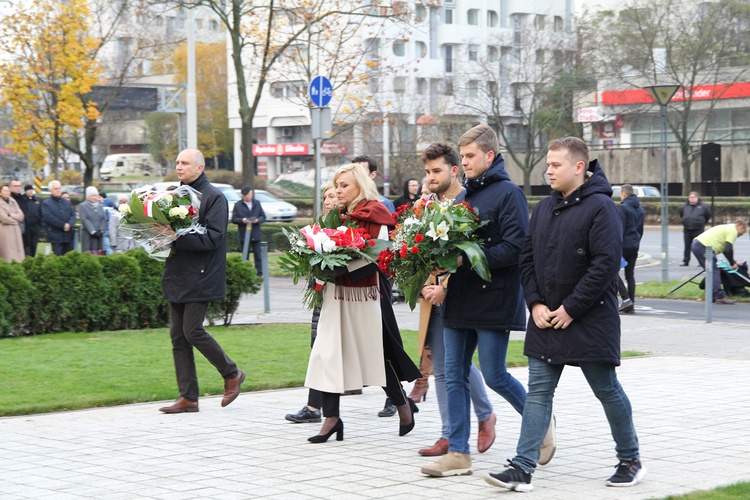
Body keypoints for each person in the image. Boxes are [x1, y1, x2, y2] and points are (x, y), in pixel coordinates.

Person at [485, 137, 646, 492]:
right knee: (539, 391)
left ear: (579, 167)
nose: (548, 170)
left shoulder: (603, 208)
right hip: (546, 318)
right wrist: (536, 304)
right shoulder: (543, 208)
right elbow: (526, 259)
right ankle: (523, 467)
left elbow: (605, 265)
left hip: (590, 317)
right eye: (547, 163)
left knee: (606, 389)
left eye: (555, 164)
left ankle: (630, 459)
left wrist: (571, 308)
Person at [421, 125, 534, 477]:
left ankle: (540, 420)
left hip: (495, 300)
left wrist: (462, 259)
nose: (464, 162)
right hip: (459, 300)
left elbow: (515, 249)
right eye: (463, 156)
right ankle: (458, 453)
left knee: (496, 375)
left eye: (470, 156)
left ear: (489, 156)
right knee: (452, 375)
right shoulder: (463, 198)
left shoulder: (509, 194)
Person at [304, 163, 421, 443]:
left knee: (375, 355)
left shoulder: (375, 212)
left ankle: (402, 403)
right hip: (336, 294)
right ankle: (332, 418)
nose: (338, 190)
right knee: (326, 352)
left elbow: (376, 257)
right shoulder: (337, 215)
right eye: (337, 185)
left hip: (365, 295)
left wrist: (336, 269)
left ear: (360, 185)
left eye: (344, 185)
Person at [413, 142, 497, 458]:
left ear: (453, 170)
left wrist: (444, 286)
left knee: (456, 365)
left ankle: (482, 416)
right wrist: (422, 285)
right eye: (427, 172)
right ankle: (451, 433)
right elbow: (417, 253)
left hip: (460, 296)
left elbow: (469, 254)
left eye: (437, 171)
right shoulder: (424, 206)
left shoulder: (467, 203)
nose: (431, 177)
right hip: (430, 300)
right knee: (444, 368)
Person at [157, 148, 246, 414]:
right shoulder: (174, 194)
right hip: (178, 272)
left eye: (185, 163)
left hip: (202, 274)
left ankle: (232, 373)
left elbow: (214, 238)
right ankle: (188, 398)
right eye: (177, 163)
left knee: (192, 331)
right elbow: (171, 230)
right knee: (178, 336)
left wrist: (175, 236)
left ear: (200, 167)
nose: (179, 167)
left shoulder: (214, 197)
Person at [285, 185, 338, 424]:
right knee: (318, 348)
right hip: (321, 295)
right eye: (325, 197)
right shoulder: (320, 228)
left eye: (333, 196)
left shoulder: (343, 228)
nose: (327, 201)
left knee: (374, 350)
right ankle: (314, 407)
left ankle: (397, 398)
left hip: (340, 298)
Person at [691, 220, 748, 305]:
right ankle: (719, 296)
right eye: (742, 232)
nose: (741, 235)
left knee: (711, 271)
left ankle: (711, 295)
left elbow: (725, 249)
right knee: (714, 271)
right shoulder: (733, 231)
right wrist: (732, 263)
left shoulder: (728, 227)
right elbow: (729, 248)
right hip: (703, 247)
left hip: (700, 245)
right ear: (740, 227)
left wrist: (733, 261)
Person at [616, 185, 644, 314]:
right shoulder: (640, 209)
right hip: (634, 245)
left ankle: (625, 298)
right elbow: (640, 230)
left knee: (612, 271)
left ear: (624, 194)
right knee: (630, 275)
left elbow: (619, 228)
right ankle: (631, 305)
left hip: (623, 246)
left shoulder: (623, 207)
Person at [232, 186, 266, 276]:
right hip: (244, 234)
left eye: (250, 194)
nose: (248, 197)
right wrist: (243, 220)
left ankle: (259, 273)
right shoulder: (238, 205)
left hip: (255, 233)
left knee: (258, 255)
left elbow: (263, 216)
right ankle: (245, 273)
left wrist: (258, 220)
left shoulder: (257, 203)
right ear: (243, 195)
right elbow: (234, 219)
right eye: (246, 195)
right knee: (245, 255)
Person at [41, 180, 77, 256]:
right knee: (58, 257)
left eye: (59, 188)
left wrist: (69, 224)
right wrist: (63, 225)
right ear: (50, 191)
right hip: (56, 236)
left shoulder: (66, 202)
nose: (58, 190)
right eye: (55, 189)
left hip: (68, 235)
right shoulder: (46, 203)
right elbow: (49, 218)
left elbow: (73, 215)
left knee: (69, 257)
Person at [679, 192, 711, 266]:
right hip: (687, 229)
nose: (692, 199)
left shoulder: (703, 206)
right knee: (687, 246)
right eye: (690, 197)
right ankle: (686, 261)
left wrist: (701, 222)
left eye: (694, 197)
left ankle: (701, 262)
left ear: (697, 198)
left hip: (698, 229)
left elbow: (708, 215)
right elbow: (681, 214)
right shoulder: (684, 206)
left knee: (699, 246)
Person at [0, 184, 25, 263]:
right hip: (5, 231)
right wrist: (16, 220)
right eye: (5, 190)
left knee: (19, 253)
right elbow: (4, 218)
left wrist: (11, 215)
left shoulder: (13, 201)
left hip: (16, 231)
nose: (8, 192)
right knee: (8, 254)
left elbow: (21, 215)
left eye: (8, 190)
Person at [78, 186, 107, 255]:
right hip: (88, 235)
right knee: (88, 254)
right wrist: (92, 231)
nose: (94, 197)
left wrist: (101, 230)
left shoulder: (100, 206)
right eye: (92, 195)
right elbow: (84, 219)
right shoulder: (82, 206)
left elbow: (104, 218)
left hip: (99, 235)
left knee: (99, 253)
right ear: (88, 196)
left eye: (95, 195)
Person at [15, 184, 42, 257]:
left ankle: (32, 257)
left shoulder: (37, 201)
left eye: (32, 190)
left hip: (35, 226)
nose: (31, 191)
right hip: (25, 227)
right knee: (26, 245)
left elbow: (40, 213)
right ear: (25, 191)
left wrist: (40, 224)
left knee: (34, 244)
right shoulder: (22, 200)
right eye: (29, 190)